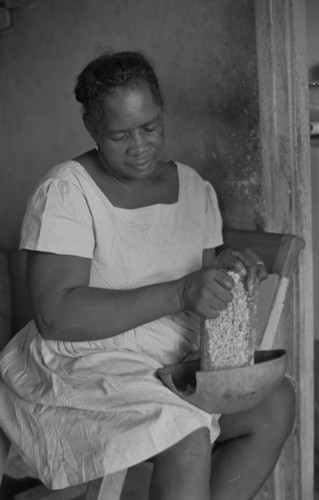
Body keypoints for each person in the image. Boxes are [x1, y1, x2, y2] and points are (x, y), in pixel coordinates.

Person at [0, 51, 295, 500]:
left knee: (276, 404)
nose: (139, 147)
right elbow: (56, 317)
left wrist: (227, 268)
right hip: (85, 367)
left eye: (150, 128)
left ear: (162, 113)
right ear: (91, 128)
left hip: (172, 361)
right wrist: (179, 293)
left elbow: (198, 274)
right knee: (183, 434)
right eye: (120, 135)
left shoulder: (195, 188)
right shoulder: (67, 191)